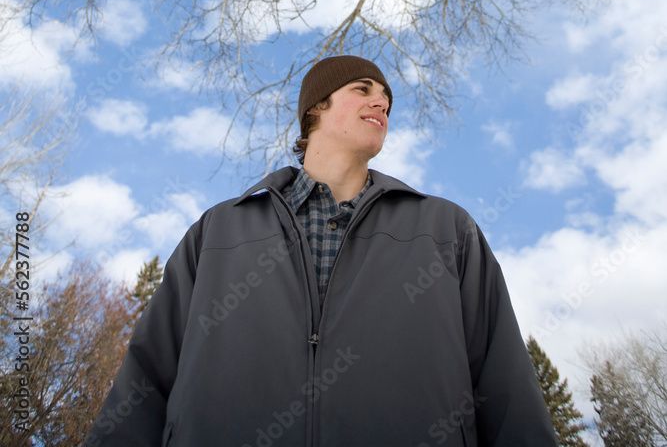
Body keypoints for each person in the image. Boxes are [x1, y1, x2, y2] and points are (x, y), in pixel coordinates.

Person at [85, 55, 557, 447]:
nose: (382, 101)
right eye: (362, 89)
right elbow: (146, 381)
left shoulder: (445, 229)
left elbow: (506, 383)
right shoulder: (218, 232)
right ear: (316, 107)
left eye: (386, 97)